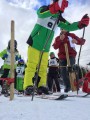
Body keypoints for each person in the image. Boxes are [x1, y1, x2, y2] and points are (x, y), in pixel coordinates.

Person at [24, 0, 89, 95]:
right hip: (34, 43)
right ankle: (28, 86)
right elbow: (40, 14)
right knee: (32, 66)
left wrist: (80, 24)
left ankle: (41, 86)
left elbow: (69, 26)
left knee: (42, 68)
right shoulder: (44, 9)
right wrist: (55, 8)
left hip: (45, 48)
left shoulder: (58, 18)